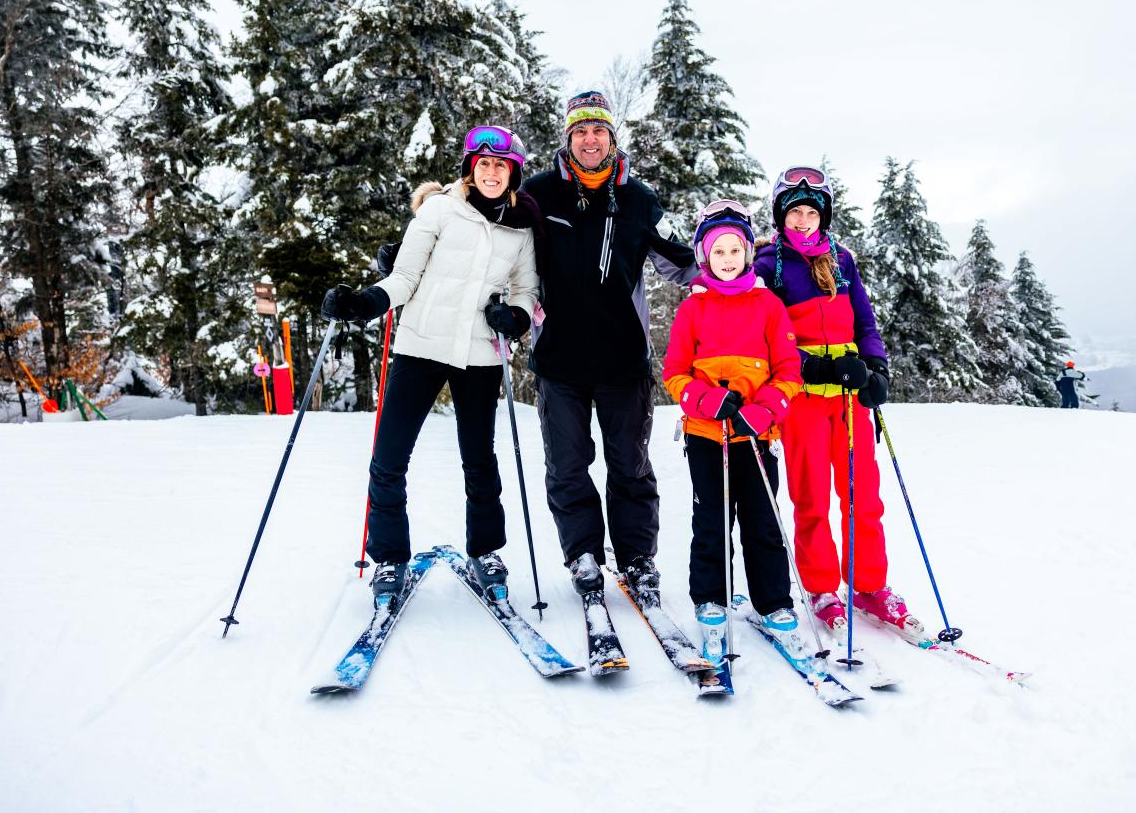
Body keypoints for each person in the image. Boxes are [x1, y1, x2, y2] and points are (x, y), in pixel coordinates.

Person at [319, 126, 540, 605]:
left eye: (501, 165)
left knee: (480, 460)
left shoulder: (521, 230)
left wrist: (517, 316)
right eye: (483, 163)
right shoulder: (441, 209)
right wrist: (365, 303)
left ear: (513, 173)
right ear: (470, 168)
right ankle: (390, 558)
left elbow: (526, 290)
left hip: (479, 354)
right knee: (390, 456)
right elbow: (405, 276)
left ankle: (486, 551)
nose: (492, 172)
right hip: (420, 347)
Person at [521, 91, 698, 603]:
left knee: (630, 466)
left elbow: (687, 261)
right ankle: (583, 556)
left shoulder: (641, 200)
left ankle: (639, 561)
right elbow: (489, 240)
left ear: (612, 138)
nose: (589, 139)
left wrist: (743, 268)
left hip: (624, 362)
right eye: (580, 131)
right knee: (567, 466)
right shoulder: (537, 194)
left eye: (598, 130)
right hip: (559, 362)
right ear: (568, 138)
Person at [752, 167, 923, 638]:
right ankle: (822, 587)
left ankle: (868, 584)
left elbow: (864, 321)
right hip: (804, 399)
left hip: (851, 399)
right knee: (810, 497)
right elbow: (768, 338)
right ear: (781, 217)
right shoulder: (770, 265)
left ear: (823, 217)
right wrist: (816, 368)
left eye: (811, 213)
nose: (803, 221)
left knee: (862, 494)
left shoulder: (842, 260)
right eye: (795, 213)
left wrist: (877, 367)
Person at [662, 200, 805, 662]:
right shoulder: (693, 309)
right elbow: (674, 374)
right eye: (718, 251)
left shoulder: (768, 305)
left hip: (756, 436)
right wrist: (707, 400)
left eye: (735, 250)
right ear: (706, 256)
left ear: (747, 253)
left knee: (762, 522)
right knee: (711, 520)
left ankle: (774, 602)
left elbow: (789, 371)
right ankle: (711, 596)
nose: (727, 259)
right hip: (707, 436)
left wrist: (763, 411)